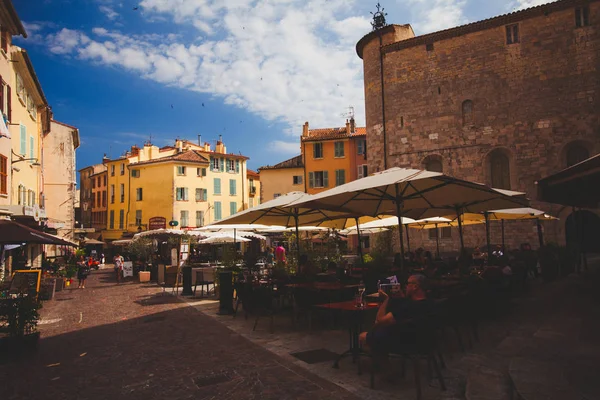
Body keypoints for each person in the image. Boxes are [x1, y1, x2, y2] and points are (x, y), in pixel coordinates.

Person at [359, 274, 431, 357]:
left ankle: (384, 366)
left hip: (406, 342)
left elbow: (380, 320)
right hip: (426, 341)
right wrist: (402, 297)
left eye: (408, 283)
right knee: (378, 330)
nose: (405, 286)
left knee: (363, 337)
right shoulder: (429, 303)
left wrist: (386, 299)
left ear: (415, 287)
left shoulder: (409, 307)